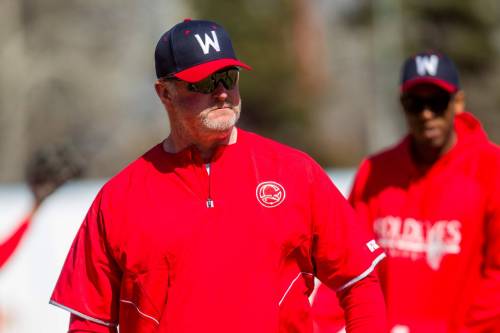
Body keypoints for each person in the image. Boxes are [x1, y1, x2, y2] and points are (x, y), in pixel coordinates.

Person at [49, 19, 387, 333]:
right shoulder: (119, 198)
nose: (222, 92)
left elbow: (359, 281)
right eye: (205, 82)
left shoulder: (295, 172)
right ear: (165, 93)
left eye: (229, 77)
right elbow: (88, 323)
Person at [313, 51, 500, 333]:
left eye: (437, 102)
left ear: (458, 102)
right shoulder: (376, 171)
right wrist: (318, 326)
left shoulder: (491, 169)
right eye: (415, 103)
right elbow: (347, 262)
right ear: (402, 105)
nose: (426, 114)